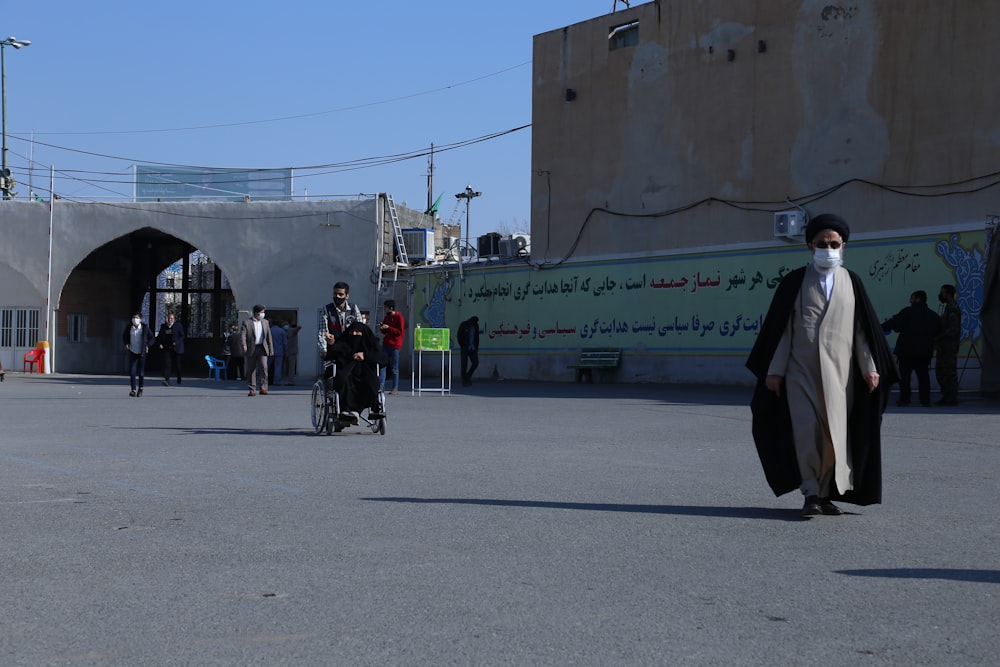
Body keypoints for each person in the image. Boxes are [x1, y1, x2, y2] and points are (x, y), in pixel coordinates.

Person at [746, 214, 898, 517]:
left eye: (834, 244)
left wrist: (870, 367)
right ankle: (811, 491)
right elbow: (783, 331)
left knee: (835, 435)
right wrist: (774, 370)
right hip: (800, 372)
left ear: (843, 246)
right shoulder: (794, 282)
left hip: (842, 378)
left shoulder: (851, 281)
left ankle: (826, 492)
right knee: (807, 432)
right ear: (809, 246)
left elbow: (861, 333)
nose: (828, 248)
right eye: (822, 244)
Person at [881, 290, 942, 407]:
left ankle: (905, 399)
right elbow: (938, 330)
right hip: (924, 351)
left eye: (912, 298)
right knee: (923, 376)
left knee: (905, 376)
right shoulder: (933, 315)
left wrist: (878, 327)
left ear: (917, 299)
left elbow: (895, 323)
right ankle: (925, 400)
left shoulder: (908, 312)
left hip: (906, 351)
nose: (910, 300)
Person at [327, 321, 386, 420]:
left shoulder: (370, 344)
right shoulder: (344, 342)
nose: (354, 334)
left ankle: (373, 407)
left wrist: (365, 355)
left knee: (372, 382)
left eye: (357, 332)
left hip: (365, 370)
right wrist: (331, 344)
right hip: (347, 370)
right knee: (342, 380)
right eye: (352, 332)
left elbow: (382, 357)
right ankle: (345, 410)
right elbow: (333, 354)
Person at [318, 281, 362, 364]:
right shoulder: (327, 309)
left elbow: (362, 329)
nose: (337, 296)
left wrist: (361, 349)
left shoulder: (353, 309)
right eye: (335, 294)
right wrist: (324, 350)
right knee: (332, 374)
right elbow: (322, 331)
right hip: (333, 348)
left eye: (340, 294)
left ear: (347, 296)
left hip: (351, 349)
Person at [934, 283, 962, 406]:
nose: (941, 295)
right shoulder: (947, 308)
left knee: (948, 372)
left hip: (949, 347)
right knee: (941, 372)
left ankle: (951, 397)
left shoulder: (952, 308)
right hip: (944, 347)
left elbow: (953, 329)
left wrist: (939, 336)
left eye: (942, 293)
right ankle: (946, 396)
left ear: (948, 294)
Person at [240, 304, 274, 397]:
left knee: (264, 367)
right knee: (251, 369)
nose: (263, 314)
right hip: (251, 348)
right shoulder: (247, 322)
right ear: (256, 313)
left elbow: (268, 337)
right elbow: (243, 334)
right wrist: (244, 344)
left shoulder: (265, 322)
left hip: (262, 348)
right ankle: (252, 389)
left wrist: (271, 349)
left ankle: (263, 387)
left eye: (264, 312)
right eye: (261, 312)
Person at [122, 311, 154, 397]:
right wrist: (126, 343)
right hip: (133, 351)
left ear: (140, 319)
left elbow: (152, 338)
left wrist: (147, 345)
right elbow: (125, 337)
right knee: (132, 371)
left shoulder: (144, 328)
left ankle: (141, 388)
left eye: (136, 318)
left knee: (141, 372)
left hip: (142, 352)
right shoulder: (129, 327)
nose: (134, 319)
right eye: (133, 318)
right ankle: (133, 389)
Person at [378, 300, 405, 394]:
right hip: (386, 344)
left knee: (394, 367)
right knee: (383, 365)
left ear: (391, 308)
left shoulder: (399, 316)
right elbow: (385, 332)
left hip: (395, 345)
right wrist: (382, 328)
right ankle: (381, 385)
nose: (384, 309)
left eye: (385, 307)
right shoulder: (387, 317)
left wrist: (388, 328)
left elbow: (400, 332)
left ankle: (395, 388)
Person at [156, 311, 185, 386]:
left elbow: (182, 336)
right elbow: (159, 336)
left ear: (174, 319)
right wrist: (160, 344)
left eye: (171, 318)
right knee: (167, 364)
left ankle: (179, 377)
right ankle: (166, 380)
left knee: (178, 365)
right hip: (167, 347)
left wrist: (176, 342)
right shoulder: (164, 326)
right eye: (169, 318)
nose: (170, 320)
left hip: (176, 348)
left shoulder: (178, 325)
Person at [457, 315, 480, 386]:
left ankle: (468, 376)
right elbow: (459, 335)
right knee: (464, 365)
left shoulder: (476, 326)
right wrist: (462, 345)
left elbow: (477, 337)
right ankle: (464, 381)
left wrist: (476, 347)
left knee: (475, 362)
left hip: (472, 348)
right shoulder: (464, 325)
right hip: (465, 348)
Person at [283, 321, 302, 386]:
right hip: (287, 351)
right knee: (286, 367)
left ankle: (291, 381)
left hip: (291, 352)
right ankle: (287, 379)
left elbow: (299, 328)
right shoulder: (286, 332)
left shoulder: (292, 331)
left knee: (291, 367)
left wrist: (295, 328)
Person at [269, 320, 287, 386]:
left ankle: (265, 379)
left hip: (270, 351)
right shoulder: (282, 331)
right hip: (279, 351)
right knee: (278, 367)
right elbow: (285, 342)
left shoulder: (269, 330)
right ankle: (277, 381)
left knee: (267, 366)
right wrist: (286, 351)